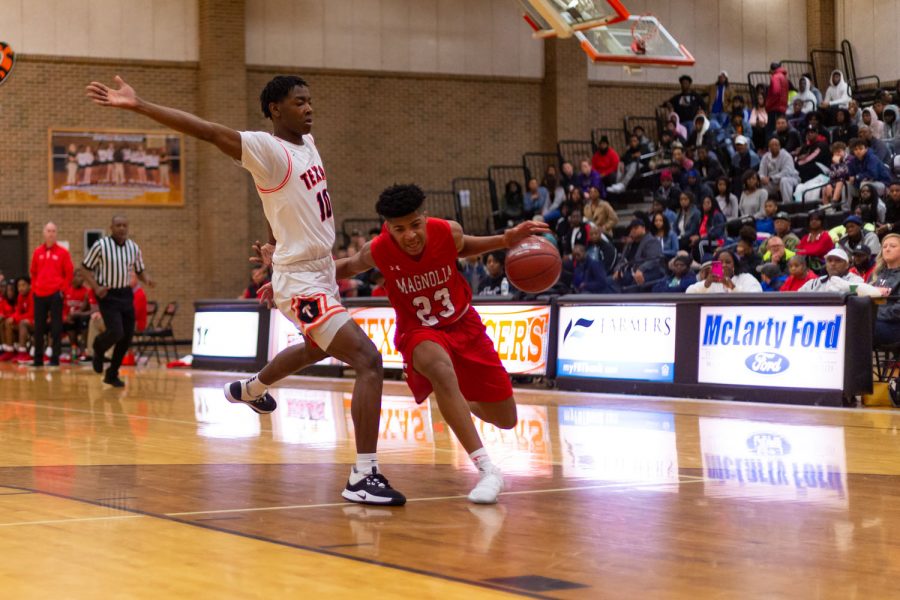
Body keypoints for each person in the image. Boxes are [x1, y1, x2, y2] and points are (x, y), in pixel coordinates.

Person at [87, 74, 409, 505]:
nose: (309, 108)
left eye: (310, 101)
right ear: (276, 110)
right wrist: (140, 105)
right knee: (368, 360)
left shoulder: (307, 145)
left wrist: (276, 253)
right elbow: (209, 131)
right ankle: (362, 477)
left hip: (315, 272)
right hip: (303, 283)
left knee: (318, 349)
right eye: (299, 102)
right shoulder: (266, 147)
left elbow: (284, 205)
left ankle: (251, 390)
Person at [328, 184, 547, 503]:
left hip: (464, 324)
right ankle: (488, 469)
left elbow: (464, 245)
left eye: (415, 225)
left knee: (506, 418)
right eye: (399, 229)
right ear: (388, 227)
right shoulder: (378, 250)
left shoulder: (448, 231)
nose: (410, 235)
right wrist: (288, 280)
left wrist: (504, 240)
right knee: (439, 369)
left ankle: (456, 401)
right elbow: (344, 268)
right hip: (417, 331)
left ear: (425, 217)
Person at [79, 216, 153, 386]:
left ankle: (112, 373)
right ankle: (98, 347)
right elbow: (83, 269)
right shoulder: (101, 246)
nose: (122, 228)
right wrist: (96, 288)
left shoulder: (133, 247)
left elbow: (140, 270)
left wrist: (147, 279)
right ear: (111, 227)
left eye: (124, 225)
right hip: (107, 294)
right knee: (116, 331)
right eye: (118, 225)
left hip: (126, 294)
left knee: (126, 337)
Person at [29, 222, 74, 366]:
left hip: (55, 294)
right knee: (39, 328)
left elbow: (69, 274)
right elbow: (33, 272)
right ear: (44, 233)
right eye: (48, 230)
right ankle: (38, 358)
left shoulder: (63, 253)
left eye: (53, 231)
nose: (51, 233)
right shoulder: (37, 252)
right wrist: (35, 288)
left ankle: (55, 358)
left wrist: (62, 291)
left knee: (56, 328)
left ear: (56, 234)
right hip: (39, 294)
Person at [799, 248, 881, 295]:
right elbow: (797, 296)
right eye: (829, 260)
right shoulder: (815, 283)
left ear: (847, 265)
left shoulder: (855, 280)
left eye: (838, 260)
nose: (833, 264)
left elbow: (857, 289)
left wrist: (847, 287)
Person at [614, 219, 664, 291]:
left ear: (643, 228)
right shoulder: (630, 243)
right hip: (629, 272)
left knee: (633, 285)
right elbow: (622, 259)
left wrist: (641, 269)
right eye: (632, 228)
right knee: (610, 281)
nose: (633, 230)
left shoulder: (652, 241)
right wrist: (618, 269)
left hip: (649, 272)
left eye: (636, 228)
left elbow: (654, 259)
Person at [685, 250, 762, 293]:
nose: (724, 265)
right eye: (720, 262)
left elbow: (756, 295)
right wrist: (706, 284)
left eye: (728, 262)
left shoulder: (746, 278)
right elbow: (688, 292)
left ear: (734, 265)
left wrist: (733, 287)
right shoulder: (711, 281)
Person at [871, 234, 900, 345]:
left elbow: (898, 311)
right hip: (874, 321)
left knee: (857, 328)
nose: (887, 249)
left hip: (894, 326)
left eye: (893, 246)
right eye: (884, 246)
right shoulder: (876, 275)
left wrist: (872, 314)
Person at [2, 277, 34, 363]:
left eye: (23, 285)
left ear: (30, 286)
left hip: (36, 322)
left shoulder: (32, 295)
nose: (21, 288)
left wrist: (16, 318)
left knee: (22, 323)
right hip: (26, 321)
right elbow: (18, 312)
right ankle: (10, 350)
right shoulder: (20, 296)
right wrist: (12, 318)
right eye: (19, 286)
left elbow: (32, 313)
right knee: (8, 322)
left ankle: (23, 353)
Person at [759, 137, 800, 202]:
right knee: (761, 185)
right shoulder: (765, 157)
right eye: (772, 145)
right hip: (772, 182)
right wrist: (763, 178)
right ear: (769, 147)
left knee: (784, 181)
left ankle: (788, 205)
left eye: (776, 145)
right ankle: (766, 208)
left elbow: (787, 172)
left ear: (779, 146)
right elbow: (761, 172)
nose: (774, 147)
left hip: (790, 179)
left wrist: (771, 178)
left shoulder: (786, 156)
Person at [766, 62, 789, 129]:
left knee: (770, 130)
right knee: (780, 129)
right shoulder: (784, 78)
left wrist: (768, 104)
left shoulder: (775, 77)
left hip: (774, 108)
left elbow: (776, 92)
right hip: (782, 108)